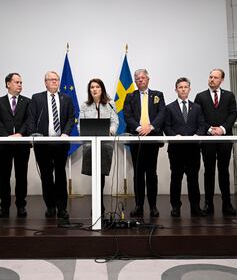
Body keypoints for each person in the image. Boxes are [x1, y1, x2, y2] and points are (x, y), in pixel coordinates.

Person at [27, 71, 75, 219]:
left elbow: (71, 118)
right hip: (43, 143)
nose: (54, 82)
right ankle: (50, 206)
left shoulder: (66, 98)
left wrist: (66, 133)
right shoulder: (37, 98)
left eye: (56, 80)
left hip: (61, 142)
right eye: (51, 80)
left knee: (60, 175)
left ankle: (62, 208)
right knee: (46, 176)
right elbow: (31, 118)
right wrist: (34, 133)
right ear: (45, 82)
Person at [194, 69, 237, 216]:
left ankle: (227, 204)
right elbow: (198, 117)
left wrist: (223, 129)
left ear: (222, 80)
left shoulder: (230, 96)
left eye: (215, 77)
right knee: (209, 172)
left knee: (224, 171)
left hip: (225, 138)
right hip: (208, 139)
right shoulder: (200, 97)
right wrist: (210, 129)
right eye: (210, 76)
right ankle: (208, 204)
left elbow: (233, 114)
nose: (212, 79)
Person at [123, 69, 165, 218]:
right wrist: (140, 128)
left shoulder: (158, 95)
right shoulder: (130, 96)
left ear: (148, 79)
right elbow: (127, 115)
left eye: (143, 78)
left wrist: (151, 127)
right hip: (137, 139)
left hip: (152, 139)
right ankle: (139, 206)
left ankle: (153, 206)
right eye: (137, 78)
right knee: (138, 174)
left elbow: (162, 113)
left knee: (152, 174)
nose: (140, 80)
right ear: (135, 81)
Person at [164, 77, 206, 217]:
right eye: (180, 87)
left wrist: (197, 135)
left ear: (189, 89)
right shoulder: (169, 107)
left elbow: (202, 125)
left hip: (193, 149)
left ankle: (195, 206)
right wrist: (174, 136)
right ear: (176, 89)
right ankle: (175, 206)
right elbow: (166, 126)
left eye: (185, 87)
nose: (183, 89)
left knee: (193, 179)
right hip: (176, 149)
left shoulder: (197, 107)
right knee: (176, 178)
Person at [0, 73, 31, 218]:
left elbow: (29, 120)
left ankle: (21, 206)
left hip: (22, 145)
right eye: (17, 82)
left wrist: (20, 134)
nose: (20, 85)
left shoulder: (28, 101)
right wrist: (7, 136)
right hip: (4, 145)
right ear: (8, 84)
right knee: (4, 176)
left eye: (21, 82)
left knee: (21, 176)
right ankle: (4, 207)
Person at [78, 78, 119, 214]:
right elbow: (80, 124)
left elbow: (115, 122)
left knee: (101, 175)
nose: (94, 89)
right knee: (94, 175)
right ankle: (96, 204)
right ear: (89, 90)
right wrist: (84, 131)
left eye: (97, 87)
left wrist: (111, 131)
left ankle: (99, 204)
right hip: (90, 145)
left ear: (102, 89)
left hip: (105, 144)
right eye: (92, 87)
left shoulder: (110, 104)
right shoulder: (85, 105)